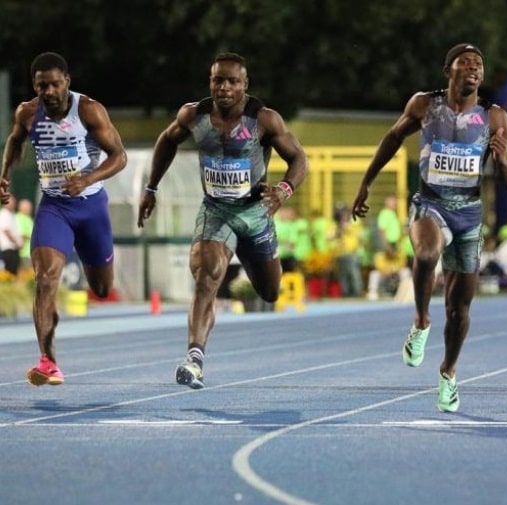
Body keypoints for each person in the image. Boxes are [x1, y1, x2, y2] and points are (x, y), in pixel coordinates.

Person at [352, 43, 507, 412]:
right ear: (449, 71)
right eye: (465, 63)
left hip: (470, 214)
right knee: (426, 252)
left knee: (459, 312)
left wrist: (501, 156)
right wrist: (366, 182)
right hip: (431, 202)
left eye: (479, 64)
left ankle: (448, 373)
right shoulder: (425, 104)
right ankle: (422, 320)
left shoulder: (495, 117)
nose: (473, 68)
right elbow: (393, 138)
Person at [137, 52, 308, 389]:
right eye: (218, 80)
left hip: (255, 213)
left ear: (245, 85)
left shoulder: (264, 120)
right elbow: (166, 141)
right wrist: (150, 187)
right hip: (216, 211)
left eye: (232, 81)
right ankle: (195, 358)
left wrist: (285, 189)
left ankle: (200, 349)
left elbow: (299, 158)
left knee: (270, 291)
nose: (224, 87)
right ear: (210, 83)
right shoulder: (193, 115)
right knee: (207, 277)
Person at [0, 52, 128, 385]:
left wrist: (86, 179)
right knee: (45, 280)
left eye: (56, 84)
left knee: (101, 288)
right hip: (54, 207)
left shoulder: (87, 109)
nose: (50, 91)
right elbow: (15, 144)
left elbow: (120, 156)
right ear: (35, 86)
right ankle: (48, 361)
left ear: (67, 82)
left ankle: (50, 356)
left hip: (91, 207)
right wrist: (5, 176)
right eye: (42, 85)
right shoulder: (28, 113)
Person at [0, 194, 23, 275]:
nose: (13, 203)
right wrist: (17, 243)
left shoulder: (12, 215)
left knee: (15, 272)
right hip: (8, 248)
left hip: (14, 249)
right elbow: (6, 231)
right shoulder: (4, 214)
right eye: (11, 202)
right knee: (10, 273)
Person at [15, 198, 35, 271]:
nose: (30, 209)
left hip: (30, 252)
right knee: (23, 272)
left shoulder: (29, 218)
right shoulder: (18, 217)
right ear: (22, 207)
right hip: (23, 252)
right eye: (29, 207)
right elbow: (21, 234)